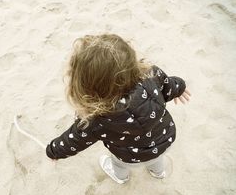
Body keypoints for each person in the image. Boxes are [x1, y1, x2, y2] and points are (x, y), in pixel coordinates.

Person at [45, 34, 191, 184]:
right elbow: (168, 86)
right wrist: (179, 87)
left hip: (129, 157)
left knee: (119, 164)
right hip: (164, 140)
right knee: (157, 158)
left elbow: (75, 140)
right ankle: (158, 172)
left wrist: (53, 151)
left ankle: (121, 177)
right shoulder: (151, 75)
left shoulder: (95, 119)